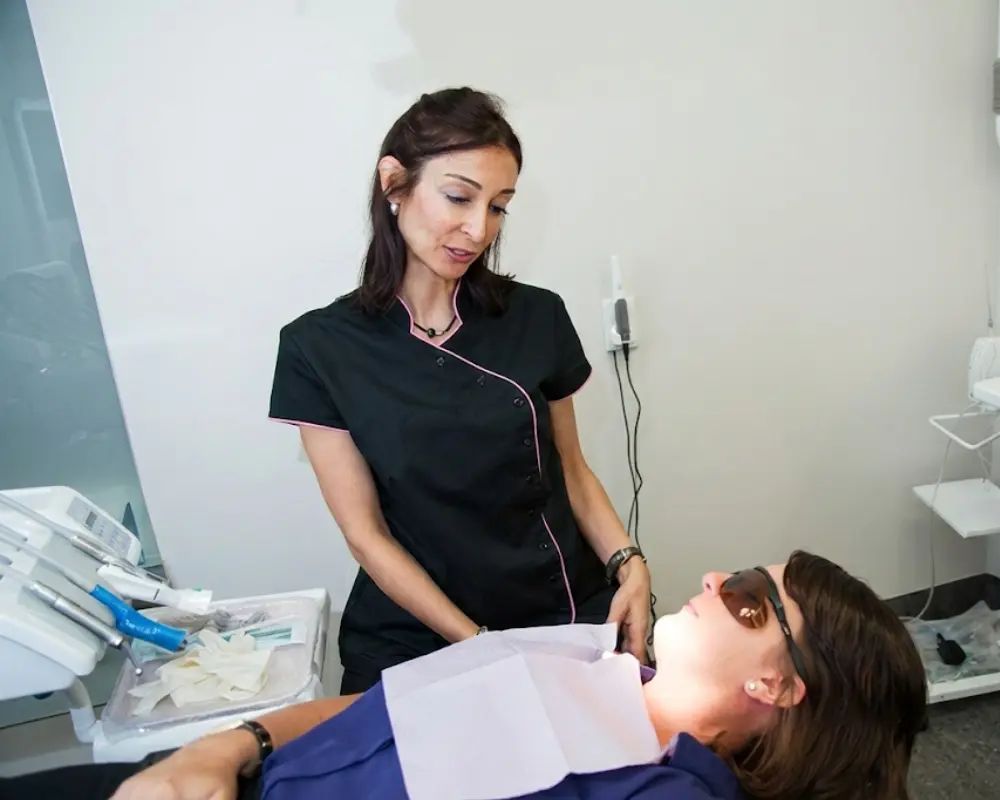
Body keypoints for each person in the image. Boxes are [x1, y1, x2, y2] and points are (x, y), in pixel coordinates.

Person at [266, 87, 652, 693]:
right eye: (458, 197)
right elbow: (367, 536)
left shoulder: (536, 316)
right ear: (394, 183)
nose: (478, 229)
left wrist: (629, 563)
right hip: (415, 632)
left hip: (557, 609)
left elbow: (572, 471)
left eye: (498, 207)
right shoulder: (318, 349)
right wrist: (481, 646)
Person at [1, 549, 928, 800]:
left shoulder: (665, 791)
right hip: (233, 773)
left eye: (754, 601)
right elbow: (376, 705)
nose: (719, 581)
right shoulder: (596, 658)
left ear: (779, 687)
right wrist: (220, 746)